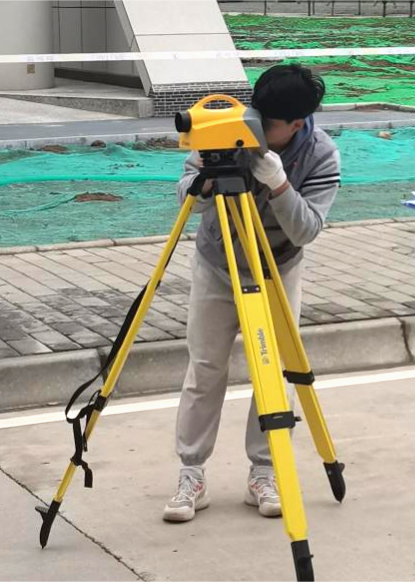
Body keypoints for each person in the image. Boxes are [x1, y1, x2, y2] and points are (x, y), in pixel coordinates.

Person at [163, 64, 341, 522]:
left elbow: (306, 230)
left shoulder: (321, 154)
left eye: (270, 123)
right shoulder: (229, 127)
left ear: (297, 124)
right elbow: (185, 195)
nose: (257, 127)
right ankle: (191, 472)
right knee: (205, 367)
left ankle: (265, 470)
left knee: (275, 371)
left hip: (278, 267)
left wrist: (278, 183)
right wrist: (206, 178)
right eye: (257, 114)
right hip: (218, 262)